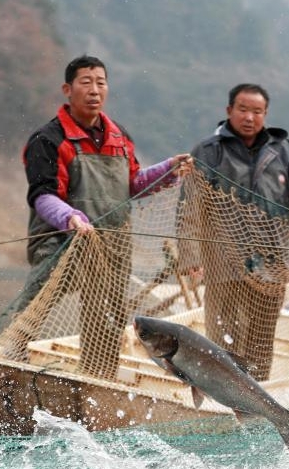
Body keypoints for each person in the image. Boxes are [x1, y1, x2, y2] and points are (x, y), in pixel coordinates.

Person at [18, 54, 191, 378]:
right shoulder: (49, 139)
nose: (94, 90)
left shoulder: (119, 137)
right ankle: (9, 360)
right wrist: (71, 218)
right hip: (60, 241)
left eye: (101, 82)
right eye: (86, 82)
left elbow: (132, 184)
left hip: (112, 246)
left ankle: (98, 379)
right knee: (34, 306)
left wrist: (169, 169)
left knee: (107, 319)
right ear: (67, 89)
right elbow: (42, 196)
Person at [186, 83, 289, 382]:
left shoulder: (282, 150)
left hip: (270, 266)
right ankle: (225, 399)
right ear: (228, 112)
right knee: (224, 339)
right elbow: (189, 206)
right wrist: (190, 256)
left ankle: (257, 400)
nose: (249, 117)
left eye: (257, 111)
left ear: (265, 115)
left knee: (261, 343)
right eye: (243, 109)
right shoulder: (209, 151)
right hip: (224, 264)